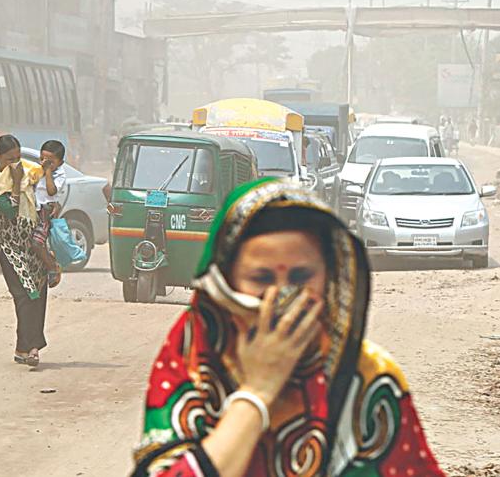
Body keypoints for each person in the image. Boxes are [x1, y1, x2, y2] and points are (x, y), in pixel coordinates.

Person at [132, 178, 444, 477]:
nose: (281, 297)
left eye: (300, 278)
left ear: (329, 278)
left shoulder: (367, 378)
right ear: (225, 283)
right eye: (262, 279)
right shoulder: (192, 362)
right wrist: (258, 392)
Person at [0, 135, 48, 367]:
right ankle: (29, 348)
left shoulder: (28, 176)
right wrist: (18, 186)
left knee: (37, 296)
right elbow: (10, 211)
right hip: (12, 249)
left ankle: (27, 348)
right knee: (24, 296)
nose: (16, 164)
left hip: (32, 247)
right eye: (10, 159)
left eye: (18, 158)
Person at [33, 140, 67, 288]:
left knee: (37, 242)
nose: (45, 163)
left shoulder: (59, 175)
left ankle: (53, 266)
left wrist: (47, 172)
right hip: (33, 210)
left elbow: (51, 191)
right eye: (43, 159)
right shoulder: (35, 170)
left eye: (50, 162)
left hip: (45, 212)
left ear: (60, 162)